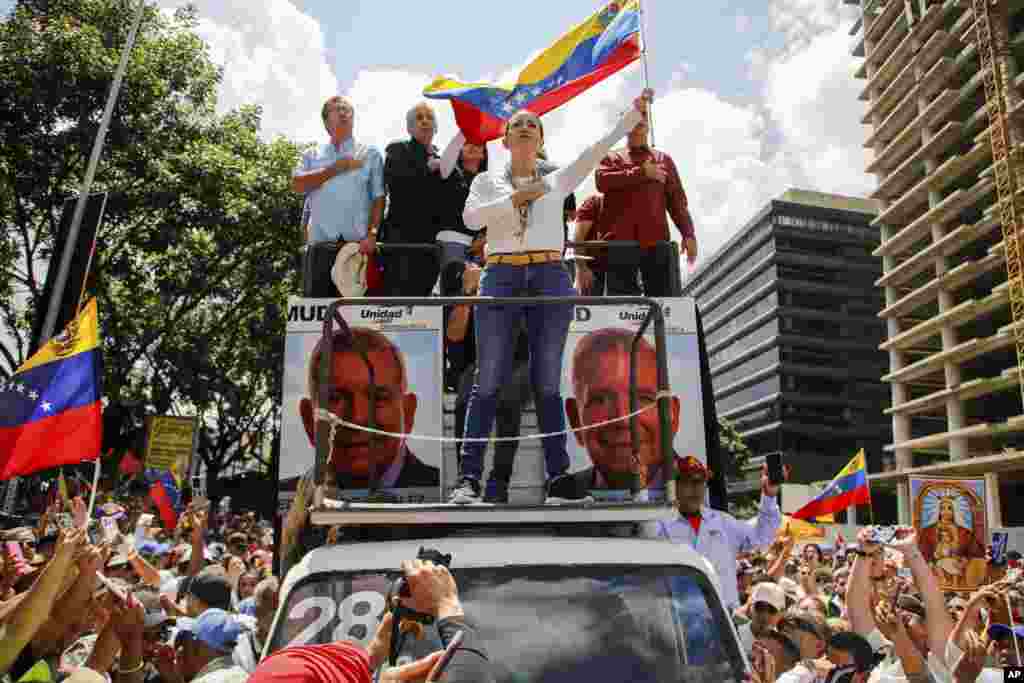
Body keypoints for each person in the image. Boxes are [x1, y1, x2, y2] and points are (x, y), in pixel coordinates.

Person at [449, 89, 653, 504]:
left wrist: (631, 117)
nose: (525, 128)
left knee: (547, 382)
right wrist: (516, 198)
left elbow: (595, 150)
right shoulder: (486, 180)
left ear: (540, 140)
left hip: (548, 274)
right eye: (517, 125)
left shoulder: (558, 177)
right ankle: (468, 481)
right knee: (486, 382)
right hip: (501, 273)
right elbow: (471, 218)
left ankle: (559, 479)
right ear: (505, 141)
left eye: (533, 125)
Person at [291, 326, 439, 491]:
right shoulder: (292, 495)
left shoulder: (441, 489)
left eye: (378, 397)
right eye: (335, 398)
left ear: (408, 412)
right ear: (308, 419)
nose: (358, 417)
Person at [442, 259, 531, 504]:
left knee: (509, 396)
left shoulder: (523, 264)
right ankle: (467, 482)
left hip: (520, 357)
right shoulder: (457, 270)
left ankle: (498, 483)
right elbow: (454, 335)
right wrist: (470, 291)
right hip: (477, 360)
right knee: (465, 399)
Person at [644, 455, 783, 612]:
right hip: (679, 624)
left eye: (700, 482)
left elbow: (762, 538)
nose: (695, 488)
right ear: (674, 486)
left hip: (723, 623)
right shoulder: (658, 527)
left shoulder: (723, 522)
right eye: (687, 481)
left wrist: (770, 495)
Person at [594, 101, 697, 296]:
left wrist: (688, 233)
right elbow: (602, 181)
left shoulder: (663, 159)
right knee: (621, 307)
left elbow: (677, 202)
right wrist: (642, 172)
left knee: (664, 303)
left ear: (648, 123)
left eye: (642, 115)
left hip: (657, 245)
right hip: (619, 247)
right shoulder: (610, 157)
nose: (638, 119)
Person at [561, 327, 679, 498]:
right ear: (575, 420)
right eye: (600, 400)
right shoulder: (563, 491)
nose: (623, 419)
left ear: (672, 415)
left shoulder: (697, 481)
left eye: (643, 399)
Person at [292, 96, 386, 298]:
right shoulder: (311, 154)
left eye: (347, 109)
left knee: (356, 322)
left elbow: (379, 198)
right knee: (318, 322)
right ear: (326, 121)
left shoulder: (369, 153)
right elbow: (297, 184)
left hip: (356, 250)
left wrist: (373, 234)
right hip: (319, 250)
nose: (344, 113)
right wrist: (334, 169)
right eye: (338, 109)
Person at [381, 102, 446, 296]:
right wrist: (428, 169)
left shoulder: (442, 159)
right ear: (409, 127)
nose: (425, 121)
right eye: (419, 118)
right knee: (398, 300)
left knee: (424, 303)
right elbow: (399, 185)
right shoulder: (397, 150)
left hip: (431, 246)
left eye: (429, 117)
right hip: (401, 243)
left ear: (435, 127)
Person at [436, 140, 488, 271]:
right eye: (467, 143)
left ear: (484, 154)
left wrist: (484, 238)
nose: (473, 146)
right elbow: (445, 160)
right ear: (459, 150)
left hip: (480, 249)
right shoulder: (450, 172)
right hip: (452, 242)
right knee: (454, 288)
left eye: (478, 144)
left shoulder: (488, 183)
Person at [172, 609, 248, 683]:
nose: (183, 648)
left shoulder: (203, 680)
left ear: (201, 643)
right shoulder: (245, 675)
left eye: (192, 637)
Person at [569, 193, 609, 295]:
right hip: (592, 267)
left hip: (617, 269)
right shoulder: (595, 202)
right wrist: (582, 268)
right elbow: (578, 238)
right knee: (588, 304)